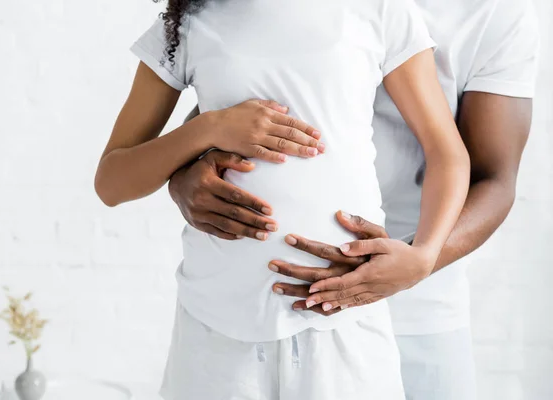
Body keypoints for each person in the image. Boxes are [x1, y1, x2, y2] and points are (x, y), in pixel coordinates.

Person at [95, 0, 471, 398]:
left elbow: (446, 151)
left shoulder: (379, 10)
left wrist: (425, 255)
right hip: (216, 325)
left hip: (342, 319)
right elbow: (112, 181)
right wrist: (208, 128)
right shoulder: (191, 20)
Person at [168, 0, 540, 399]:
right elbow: (229, 103)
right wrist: (181, 181)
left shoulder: (495, 13)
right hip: (278, 298)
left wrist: (418, 260)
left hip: (423, 305)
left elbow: (495, 178)